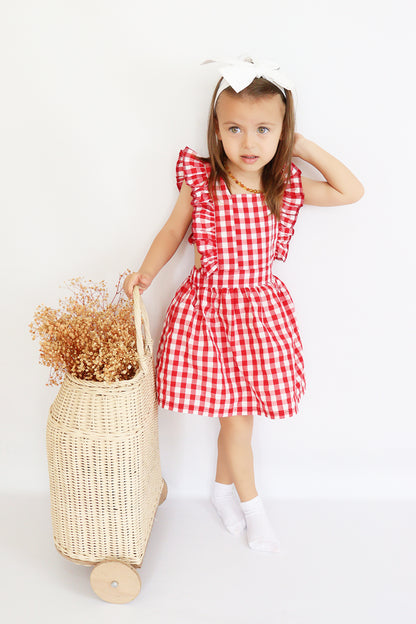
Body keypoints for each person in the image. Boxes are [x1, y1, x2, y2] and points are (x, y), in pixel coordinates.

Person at [124, 57, 364, 553]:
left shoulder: (283, 187)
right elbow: (173, 231)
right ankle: (253, 508)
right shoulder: (205, 183)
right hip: (209, 314)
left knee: (237, 415)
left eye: (263, 129)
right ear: (217, 130)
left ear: (281, 133)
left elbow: (351, 191)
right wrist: (147, 271)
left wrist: (301, 145)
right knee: (235, 418)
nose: (248, 143)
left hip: (259, 317)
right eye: (234, 128)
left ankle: (221, 491)